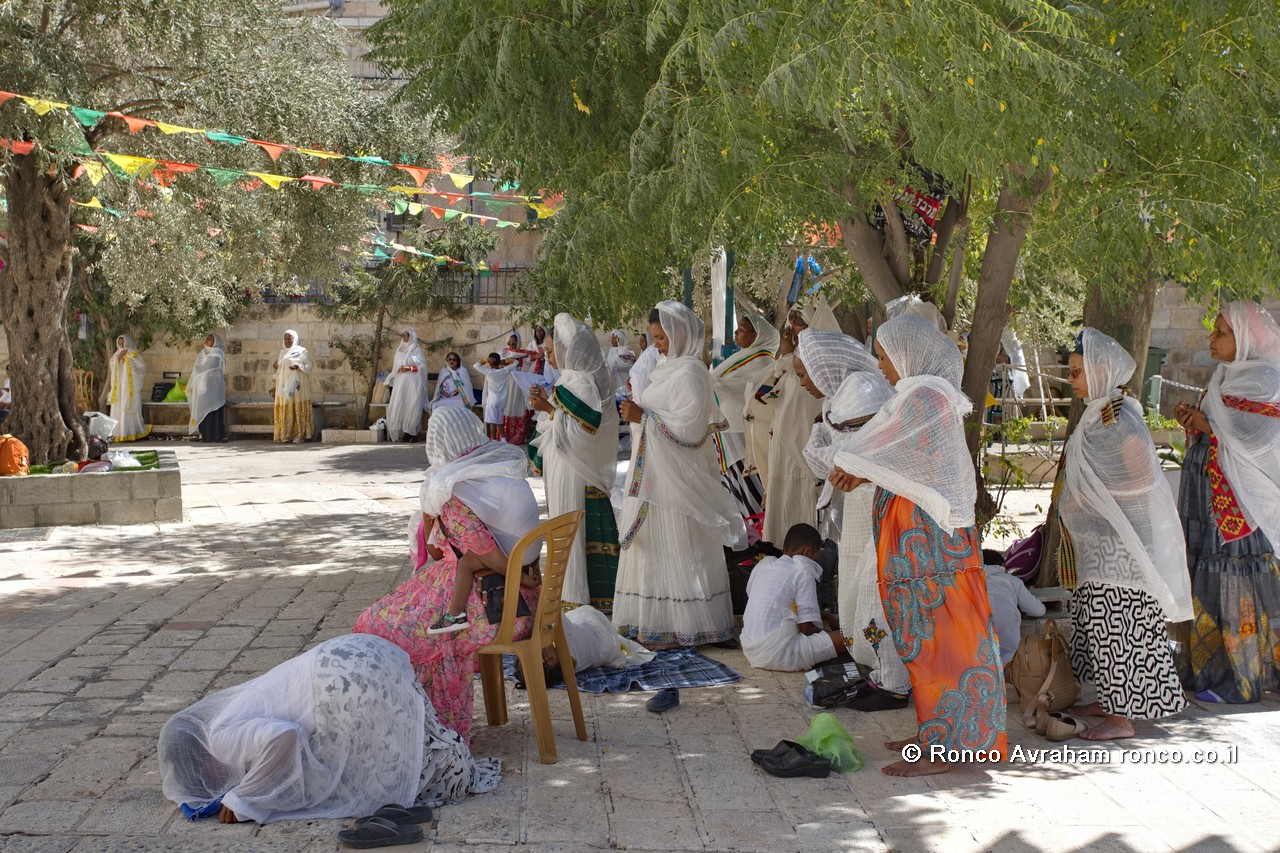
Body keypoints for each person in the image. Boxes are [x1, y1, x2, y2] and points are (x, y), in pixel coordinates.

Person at [831, 314, 1006, 776]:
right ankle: (934, 730)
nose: (880, 364)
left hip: (930, 548)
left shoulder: (922, 397)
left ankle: (947, 747)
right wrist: (861, 469)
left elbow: (897, 455)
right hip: (920, 544)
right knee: (920, 638)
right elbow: (899, 457)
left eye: (885, 355)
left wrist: (857, 465)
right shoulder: (919, 397)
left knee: (937, 639)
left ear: (907, 354)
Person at [159, 634, 499, 825]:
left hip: (340, 685)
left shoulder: (219, 739)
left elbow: (284, 738)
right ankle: (456, 763)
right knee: (418, 746)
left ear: (201, 764)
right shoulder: (228, 712)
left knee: (397, 775)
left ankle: (456, 769)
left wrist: (241, 798)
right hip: (356, 653)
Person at [354, 407, 541, 742]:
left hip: (503, 606)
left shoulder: (457, 493)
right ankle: (419, 720)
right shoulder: (501, 467)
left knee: (384, 625)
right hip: (521, 597)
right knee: (411, 614)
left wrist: (432, 514)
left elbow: (462, 554)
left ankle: (427, 729)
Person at [614, 301, 748, 713]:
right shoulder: (664, 369)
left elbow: (689, 430)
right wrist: (639, 416)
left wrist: (643, 416)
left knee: (680, 545)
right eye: (654, 339)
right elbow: (660, 414)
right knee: (654, 547)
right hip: (652, 471)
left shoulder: (691, 372)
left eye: (663, 338)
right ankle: (655, 619)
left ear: (684, 335)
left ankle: (687, 624)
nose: (658, 346)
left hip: (676, 481)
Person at [1058, 328, 1191, 738]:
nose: (1072, 379)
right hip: (1102, 544)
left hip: (1123, 545)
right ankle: (1109, 698)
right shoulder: (1100, 412)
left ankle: (1122, 719)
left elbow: (1138, 480)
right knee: (1099, 623)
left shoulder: (1120, 418)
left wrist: (1089, 499)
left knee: (1120, 624)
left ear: (1100, 372)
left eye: (1078, 372)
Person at [1173, 301, 1280, 703]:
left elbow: (1264, 439)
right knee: (1208, 575)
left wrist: (1211, 425)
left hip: (1239, 503)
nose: (1211, 338)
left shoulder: (1265, 382)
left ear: (1246, 339)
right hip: (1206, 497)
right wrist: (1196, 423)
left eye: (1221, 332)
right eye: (1214, 331)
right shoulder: (1222, 378)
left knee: (1237, 581)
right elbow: (1220, 427)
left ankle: (1241, 678)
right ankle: (1206, 670)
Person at [795, 331, 904, 710]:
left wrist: (835, 457)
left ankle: (893, 681)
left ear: (824, 367)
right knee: (858, 583)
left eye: (804, 373)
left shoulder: (863, 388)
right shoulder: (840, 394)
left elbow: (858, 454)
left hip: (873, 500)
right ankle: (875, 670)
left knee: (875, 586)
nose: (803, 382)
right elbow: (831, 454)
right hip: (856, 502)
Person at [528, 313, 621, 608]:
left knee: (578, 530)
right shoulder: (566, 380)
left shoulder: (580, 381)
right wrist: (548, 407)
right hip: (563, 468)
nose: (549, 355)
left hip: (576, 472)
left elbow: (586, 428)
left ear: (569, 350)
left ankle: (579, 599)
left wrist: (549, 409)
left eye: (552, 350)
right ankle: (567, 595)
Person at [751, 299, 838, 544]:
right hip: (783, 445)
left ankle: (806, 549)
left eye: (801, 323)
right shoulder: (791, 362)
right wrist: (786, 354)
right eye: (792, 323)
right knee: (784, 496)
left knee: (804, 498)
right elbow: (766, 394)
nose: (795, 328)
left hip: (804, 446)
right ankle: (781, 546)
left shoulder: (823, 364)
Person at [741, 523, 844, 672]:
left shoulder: (765, 565)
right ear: (807, 552)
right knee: (852, 637)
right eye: (816, 558)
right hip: (780, 655)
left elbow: (772, 606)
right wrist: (829, 636)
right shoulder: (802, 571)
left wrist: (825, 616)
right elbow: (806, 629)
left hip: (752, 650)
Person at [709, 311, 779, 524]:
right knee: (735, 484)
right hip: (727, 431)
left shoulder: (762, 361)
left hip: (742, 433)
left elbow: (729, 386)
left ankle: (759, 532)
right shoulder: (742, 357)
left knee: (750, 486)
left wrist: (704, 380)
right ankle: (749, 534)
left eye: (741, 330)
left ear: (756, 336)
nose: (736, 333)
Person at [528, 604, 655, 686]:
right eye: (537, 650)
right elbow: (549, 609)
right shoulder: (567, 645)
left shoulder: (567, 666)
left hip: (600, 647)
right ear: (551, 659)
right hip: (600, 634)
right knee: (583, 612)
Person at [981, 553, 1047, 666]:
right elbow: (1037, 610)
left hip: (977, 624)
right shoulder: (1012, 580)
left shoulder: (968, 582)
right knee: (1009, 654)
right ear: (1002, 565)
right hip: (1007, 625)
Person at [384, 328, 429, 442]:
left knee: (412, 405)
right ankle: (405, 432)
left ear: (412, 336)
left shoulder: (415, 350)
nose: (404, 337)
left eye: (407, 335)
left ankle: (413, 432)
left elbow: (421, 366)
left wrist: (408, 368)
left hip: (413, 381)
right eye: (403, 335)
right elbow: (396, 366)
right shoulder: (400, 349)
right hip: (401, 382)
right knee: (401, 404)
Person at [106, 334, 151, 441]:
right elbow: (113, 366)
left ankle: (131, 432)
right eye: (120, 343)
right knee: (119, 407)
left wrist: (127, 359)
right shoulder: (116, 354)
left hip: (130, 387)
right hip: (120, 385)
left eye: (123, 342)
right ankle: (118, 433)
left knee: (129, 407)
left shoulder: (134, 354)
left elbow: (141, 368)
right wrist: (118, 359)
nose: (121, 345)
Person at [272, 329, 313, 444]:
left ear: (295, 339)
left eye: (290, 338)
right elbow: (281, 367)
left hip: (297, 385)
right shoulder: (282, 353)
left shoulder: (302, 352)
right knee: (286, 406)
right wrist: (276, 366)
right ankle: (285, 434)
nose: (288, 341)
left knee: (297, 406)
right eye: (285, 338)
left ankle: (299, 434)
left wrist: (298, 366)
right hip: (284, 385)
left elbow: (309, 366)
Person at [187, 333, 226, 443]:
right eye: (207, 338)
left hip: (214, 388)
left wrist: (199, 369)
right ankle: (205, 435)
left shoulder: (218, 353)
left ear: (215, 342)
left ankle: (215, 436)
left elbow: (209, 367)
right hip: (202, 388)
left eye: (210, 339)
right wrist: (198, 370)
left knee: (213, 411)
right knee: (204, 410)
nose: (207, 340)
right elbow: (197, 368)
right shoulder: (202, 353)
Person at [473, 352, 515, 441]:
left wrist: (484, 360)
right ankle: (503, 439)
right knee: (499, 420)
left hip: (492, 400)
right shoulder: (504, 371)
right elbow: (516, 363)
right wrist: (506, 361)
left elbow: (476, 365)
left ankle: (494, 440)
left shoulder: (489, 372)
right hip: (502, 400)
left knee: (492, 421)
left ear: (491, 361)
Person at [629, 332, 661, 402]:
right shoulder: (644, 355)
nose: (640, 344)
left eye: (642, 341)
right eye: (640, 342)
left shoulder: (651, 355)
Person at [606, 330, 637, 397]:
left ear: (620, 339)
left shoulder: (628, 351)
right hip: (615, 382)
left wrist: (616, 362)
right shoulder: (612, 351)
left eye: (614, 339)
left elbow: (630, 363)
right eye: (611, 339)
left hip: (625, 382)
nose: (612, 341)